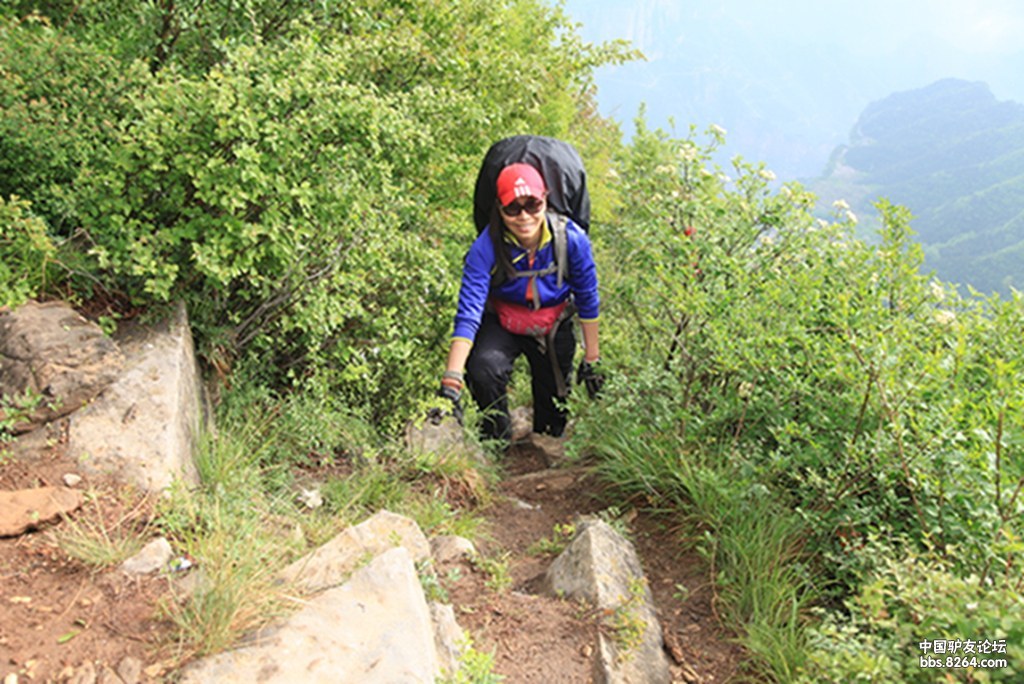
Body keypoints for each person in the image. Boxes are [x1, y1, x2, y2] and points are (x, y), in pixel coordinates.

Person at [438, 161, 601, 444]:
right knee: (484, 369)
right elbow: (469, 311)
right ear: (499, 209)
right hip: (503, 322)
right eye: (513, 208)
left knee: (553, 417)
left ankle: (547, 442)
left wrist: (592, 359)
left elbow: (588, 298)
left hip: (554, 323)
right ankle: (496, 442)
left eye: (532, 205)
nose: (523, 216)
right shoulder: (487, 246)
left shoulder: (570, 239)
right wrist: (452, 380)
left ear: (545, 201)